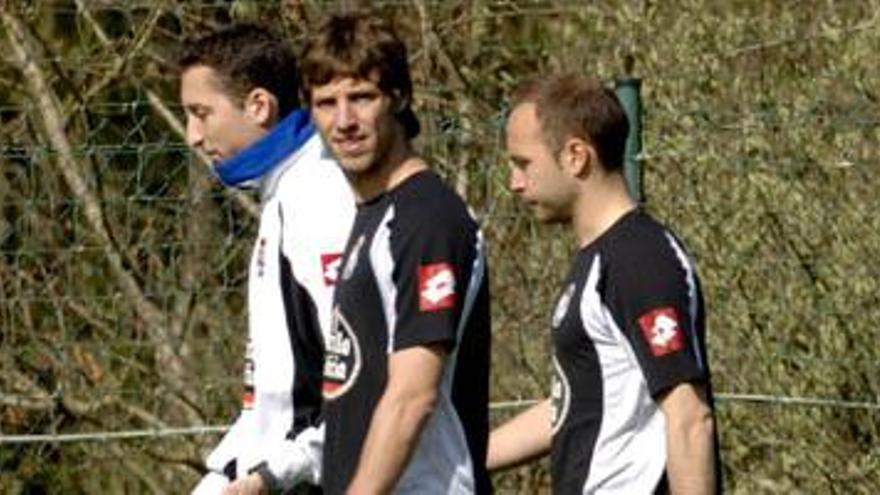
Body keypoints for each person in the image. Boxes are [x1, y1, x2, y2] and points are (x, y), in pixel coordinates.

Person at [487, 74, 720, 494]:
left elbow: (689, 417)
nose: (515, 183)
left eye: (523, 164)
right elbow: (575, 403)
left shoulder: (639, 260)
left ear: (576, 156)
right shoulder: (598, 259)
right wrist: (461, 456)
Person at [300, 12, 492, 495]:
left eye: (361, 98)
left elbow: (413, 396)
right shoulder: (374, 216)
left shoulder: (425, 218)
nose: (344, 121)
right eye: (327, 103)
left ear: (399, 98)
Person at [178, 23, 355, 494]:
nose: (192, 136)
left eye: (201, 114)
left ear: (258, 106)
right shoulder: (282, 196)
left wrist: (274, 475)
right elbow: (269, 406)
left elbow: (361, 374)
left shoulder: (319, 196)